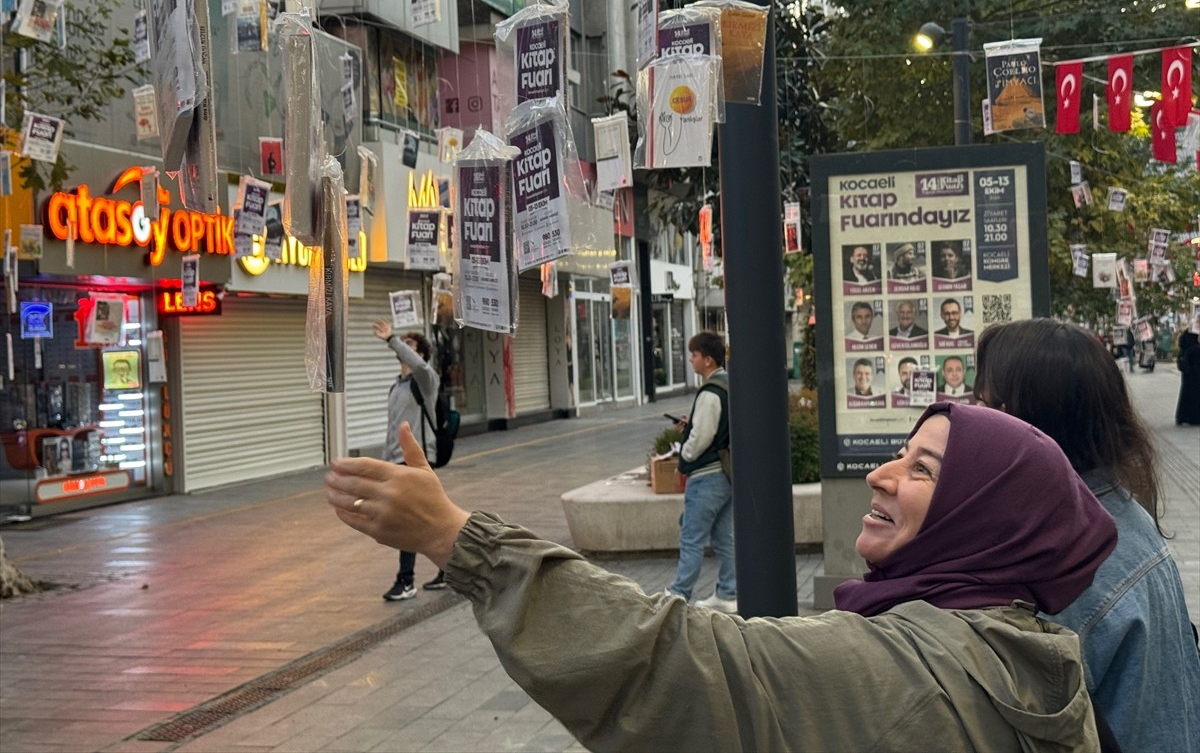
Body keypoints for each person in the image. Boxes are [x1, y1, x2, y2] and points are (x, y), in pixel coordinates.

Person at [326, 402, 1117, 751]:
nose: (880, 475)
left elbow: (682, 664)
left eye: (922, 469)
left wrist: (456, 537)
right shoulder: (1033, 650)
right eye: (898, 451)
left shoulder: (913, 669)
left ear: (986, 516)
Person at [975, 319, 1200, 752]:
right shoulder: (1113, 511)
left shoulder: (1063, 566)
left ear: (1021, 421)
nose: (971, 420)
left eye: (983, 403)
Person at [661, 331, 735, 612]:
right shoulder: (728, 385)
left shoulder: (710, 392)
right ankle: (729, 593)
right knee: (723, 536)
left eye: (693, 355)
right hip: (727, 475)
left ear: (707, 359)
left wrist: (685, 451)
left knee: (691, 537)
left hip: (707, 476)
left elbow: (702, 437)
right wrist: (689, 427)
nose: (690, 359)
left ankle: (679, 594)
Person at [371, 318, 443, 600]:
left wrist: (392, 339)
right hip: (398, 462)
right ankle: (450, 569)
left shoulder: (425, 380)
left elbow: (421, 365)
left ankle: (406, 581)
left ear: (421, 354)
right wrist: (384, 464)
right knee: (427, 519)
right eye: (402, 344)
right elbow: (393, 430)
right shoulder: (397, 387)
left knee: (408, 521)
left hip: (418, 460)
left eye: (410, 344)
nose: (403, 346)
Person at [1176, 325, 1200, 426]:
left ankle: (1183, 416)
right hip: (1194, 369)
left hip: (1190, 371)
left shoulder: (1188, 333)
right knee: (1194, 394)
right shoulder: (1193, 333)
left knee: (1187, 394)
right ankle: (1193, 417)